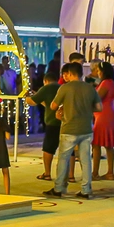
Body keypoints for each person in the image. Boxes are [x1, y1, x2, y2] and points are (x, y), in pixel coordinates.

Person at [44, 62, 100, 200]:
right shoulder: (90, 88)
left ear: (70, 73)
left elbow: (53, 105)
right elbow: (99, 107)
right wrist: (86, 109)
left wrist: (63, 109)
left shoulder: (65, 88)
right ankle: (86, 189)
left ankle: (59, 188)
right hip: (86, 128)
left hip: (69, 128)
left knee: (64, 159)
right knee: (85, 160)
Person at [28, 66, 61, 181]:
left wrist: (27, 96)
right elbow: (49, 104)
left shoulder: (46, 88)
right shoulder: (62, 87)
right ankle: (70, 175)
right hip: (65, 122)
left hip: (52, 122)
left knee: (48, 148)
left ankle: (47, 173)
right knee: (68, 150)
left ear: (45, 81)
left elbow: (32, 102)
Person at [92, 61, 114, 180]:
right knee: (108, 145)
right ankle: (110, 172)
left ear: (103, 71)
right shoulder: (112, 83)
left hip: (104, 114)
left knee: (96, 144)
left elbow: (97, 98)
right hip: (109, 113)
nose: (97, 73)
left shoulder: (105, 83)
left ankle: (95, 173)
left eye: (98, 71)